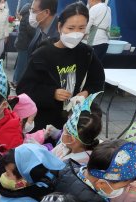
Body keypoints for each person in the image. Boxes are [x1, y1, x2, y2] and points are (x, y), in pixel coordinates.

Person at [17, 2, 105, 131]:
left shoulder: (86, 52)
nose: (76, 33)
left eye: (81, 28)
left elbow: (98, 81)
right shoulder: (42, 54)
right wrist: (52, 93)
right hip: (43, 121)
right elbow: (24, 88)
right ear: (59, 27)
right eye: (70, 28)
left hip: (71, 121)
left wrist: (85, 93)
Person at [50, 92, 102, 165]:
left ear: (71, 139)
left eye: (65, 130)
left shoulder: (72, 165)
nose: (63, 132)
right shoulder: (67, 145)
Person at [12, 2, 36, 87]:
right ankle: (16, 82)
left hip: (21, 44)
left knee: (19, 64)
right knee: (21, 65)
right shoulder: (28, 17)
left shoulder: (25, 16)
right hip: (24, 45)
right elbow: (31, 31)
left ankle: (15, 80)